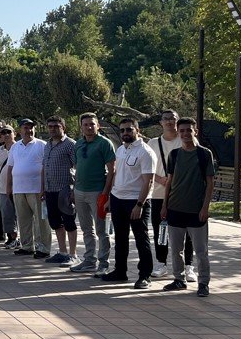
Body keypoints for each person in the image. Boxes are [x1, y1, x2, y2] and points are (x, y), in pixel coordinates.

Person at [160, 118, 215, 297]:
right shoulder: (174, 155)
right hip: (175, 209)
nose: (185, 134)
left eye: (188, 130)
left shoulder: (204, 154)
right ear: (178, 132)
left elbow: (210, 183)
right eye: (181, 130)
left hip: (196, 210)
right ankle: (179, 279)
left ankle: (203, 283)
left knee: (201, 250)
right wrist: (164, 205)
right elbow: (169, 182)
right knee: (175, 249)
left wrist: (205, 208)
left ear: (195, 132)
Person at [102, 117, 156, 289]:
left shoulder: (145, 152)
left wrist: (139, 205)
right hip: (118, 200)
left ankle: (145, 275)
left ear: (137, 131)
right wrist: (110, 198)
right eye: (122, 130)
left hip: (136, 201)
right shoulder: (120, 150)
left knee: (141, 239)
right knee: (120, 237)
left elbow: (148, 181)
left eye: (129, 129)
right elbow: (117, 176)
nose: (125, 133)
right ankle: (120, 271)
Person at [150, 110, 194, 281]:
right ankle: (161, 263)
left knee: (187, 231)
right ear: (161, 122)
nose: (169, 122)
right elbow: (146, 167)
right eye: (166, 119)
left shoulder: (185, 140)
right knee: (161, 230)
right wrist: (159, 179)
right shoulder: (153, 143)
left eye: (172, 119)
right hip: (159, 194)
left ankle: (188, 266)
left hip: (182, 194)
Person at [71, 113, 115, 274]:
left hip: (98, 192)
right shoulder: (78, 144)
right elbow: (77, 169)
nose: (89, 127)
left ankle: (103, 263)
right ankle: (89, 260)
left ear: (98, 126)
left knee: (102, 230)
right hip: (79, 191)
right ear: (81, 127)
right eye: (86, 125)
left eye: (92, 124)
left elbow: (112, 171)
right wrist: (74, 190)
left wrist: (106, 193)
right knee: (86, 229)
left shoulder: (105, 143)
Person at [6, 119, 50, 259]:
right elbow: (10, 167)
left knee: (41, 220)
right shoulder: (15, 147)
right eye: (25, 128)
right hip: (19, 189)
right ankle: (27, 246)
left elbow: (46, 168)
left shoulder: (42, 145)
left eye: (31, 128)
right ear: (20, 130)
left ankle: (43, 248)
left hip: (37, 189)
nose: (29, 130)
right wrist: (9, 186)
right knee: (23, 220)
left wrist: (44, 187)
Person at [41, 116, 78, 262]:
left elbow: (77, 167)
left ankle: (73, 254)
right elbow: (44, 167)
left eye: (56, 126)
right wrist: (43, 188)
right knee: (55, 222)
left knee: (69, 222)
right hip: (50, 190)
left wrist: (74, 190)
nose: (52, 129)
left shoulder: (70, 145)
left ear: (63, 127)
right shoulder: (47, 145)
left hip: (65, 189)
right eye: (50, 126)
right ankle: (63, 252)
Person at [0, 125, 18, 249]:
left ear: (15, 133)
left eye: (9, 132)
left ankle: (21, 239)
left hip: (19, 187)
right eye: (3, 132)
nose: (6, 134)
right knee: (7, 214)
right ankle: (12, 238)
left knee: (20, 215)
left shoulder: (19, 147)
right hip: (3, 188)